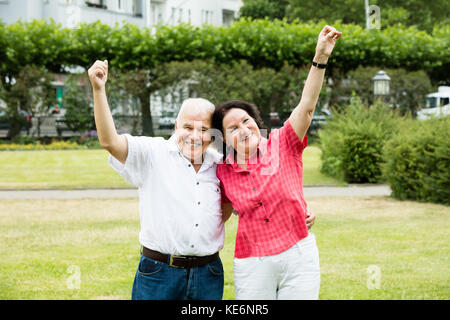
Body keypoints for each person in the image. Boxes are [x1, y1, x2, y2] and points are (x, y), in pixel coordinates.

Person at [212, 25, 342, 300]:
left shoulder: (284, 142)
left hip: (298, 254)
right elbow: (222, 212)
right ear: (224, 139)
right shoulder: (222, 171)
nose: (243, 129)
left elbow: (306, 106)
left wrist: (320, 57)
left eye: (246, 121)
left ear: (256, 122)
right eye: (233, 128)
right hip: (252, 263)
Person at [88, 60, 228, 300]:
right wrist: (99, 90)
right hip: (159, 273)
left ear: (213, 133)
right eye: (187, 127)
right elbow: (110, 142)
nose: (195, 136)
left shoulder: (220, 164)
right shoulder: (152, 153)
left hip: (208, 273)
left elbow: (241, 200)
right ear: (175, 126)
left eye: (203, 129)